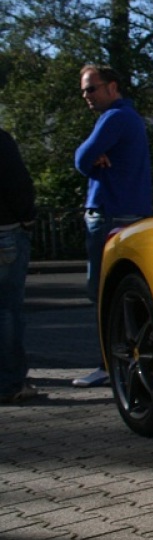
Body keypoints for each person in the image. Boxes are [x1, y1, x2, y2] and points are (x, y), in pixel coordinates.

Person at [72, 65, 152, 388]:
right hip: (127, 212)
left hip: (110, 215)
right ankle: (126, 359)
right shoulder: (127, 119)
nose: (86, 96)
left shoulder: (115, 118)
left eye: (92, 89)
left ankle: (108, 364)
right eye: (83, 91)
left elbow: (81, 159)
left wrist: (94, 156)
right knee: (127, 292)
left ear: (112, 87)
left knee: (105, 293)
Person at [0, 126, 38, 404]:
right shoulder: (1, 141)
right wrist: (27, 218)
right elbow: (18, 185)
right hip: (6, 230)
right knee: (8, 308)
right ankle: (10, 383)